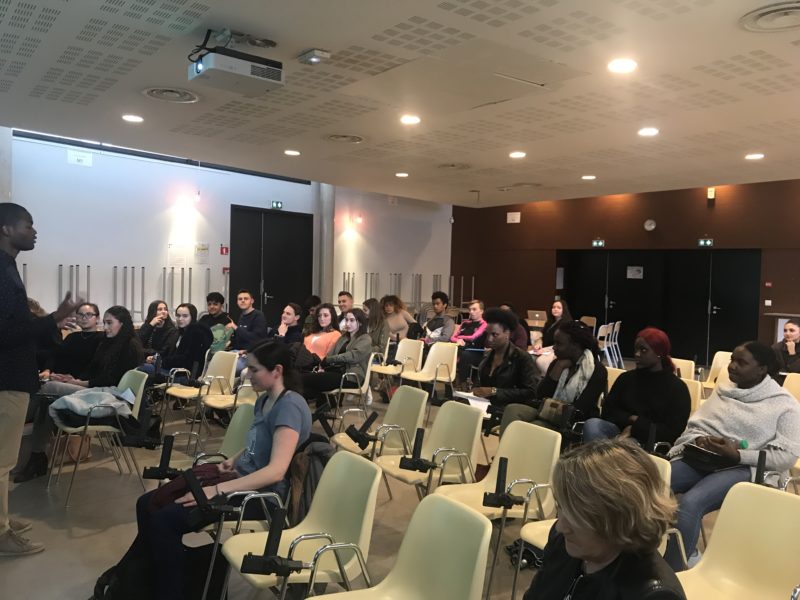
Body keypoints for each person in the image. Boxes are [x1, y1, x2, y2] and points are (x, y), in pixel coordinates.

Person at [129, 341, 311, 600]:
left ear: (277, 370)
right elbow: (261, 442)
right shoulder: (265, 400)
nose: (247, 375)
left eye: (254, 369)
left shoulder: (289, 406)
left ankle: (169, 590)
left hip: (264, 498)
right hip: (241, 481)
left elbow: (276, 471)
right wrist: (235, 460)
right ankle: (152, 580)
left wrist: (217, 489)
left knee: (164, 521)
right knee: (146, 503)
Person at [665, 340, 800, 571]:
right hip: (706, 457)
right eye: (732, 360)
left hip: (746, 467)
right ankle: (640, 553)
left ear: (762, 369)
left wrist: (738, 455)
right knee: (649, 483)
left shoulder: (785, 405)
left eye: (741, 362)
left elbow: (786, 457)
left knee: (689, 503)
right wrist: (700, 440)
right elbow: (696, 426)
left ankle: (672, 572)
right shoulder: (724, 390)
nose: (732, 366)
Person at [0, 202, 80, 555]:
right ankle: (0, 533)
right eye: (28, 225)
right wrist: (54, 318)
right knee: (2, 461)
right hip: (7, 378)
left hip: (11, 376)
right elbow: (7, 333)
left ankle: (3, 520)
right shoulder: (3, 271)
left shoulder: (8, 268)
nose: (34, 232)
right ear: (7, 229)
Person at [523, 439, 685, 600]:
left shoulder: (654, 595)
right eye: (561, 506)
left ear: (622, 519)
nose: (561, 526)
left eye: (578, 516)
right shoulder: (562, 541)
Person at [18, 306, 145, 483]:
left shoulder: (129, 346)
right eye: (105, 323)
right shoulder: (108, 342)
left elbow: (111, 380)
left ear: (122, 324)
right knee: (46, 400)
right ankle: (37, 457)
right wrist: (72, 379)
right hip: (97, 391)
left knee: (49, 388)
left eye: (109, 323)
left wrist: (78, 383)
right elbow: (92, 371)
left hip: (109, 397)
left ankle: (16, 422)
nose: (105, 327)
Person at [582, 327, 691, 447]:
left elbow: (672, 431)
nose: (637, 354)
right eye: (636, 349)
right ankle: (602, 456)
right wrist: (631, 419)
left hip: (648, 441)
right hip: (618, 433)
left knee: (628, 444)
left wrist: (635, 428)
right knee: (592, 425)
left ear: (659, 353)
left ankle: (605, 456)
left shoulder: (677, 388)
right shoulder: (626, 378)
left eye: (643, 350)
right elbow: (607, 412)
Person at [500, 320, 607, 435]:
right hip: (546, 410)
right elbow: (540, 395)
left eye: (559, 344)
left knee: (536, 425)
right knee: (512, 409)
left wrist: (549, 409)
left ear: (576, 345)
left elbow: (581, 408)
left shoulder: (596, 371)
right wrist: (558, 369)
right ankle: (506, 446)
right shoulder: (557, 363)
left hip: (573, 420)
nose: (554, 348)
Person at [302, 309, 372, 406]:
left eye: (352, 320)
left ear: (360, 322)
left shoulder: (365, 338)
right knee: (305, 387)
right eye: (346, 320)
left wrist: (328, 360)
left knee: (304, 380)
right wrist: (323, 366)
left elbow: (353, 356)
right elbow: (330, 354)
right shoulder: (343, 337)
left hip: (351, 377)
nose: (347, 323)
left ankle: (321, 408)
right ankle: (320, 408)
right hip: (336, 372)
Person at [471, 308, 537, 408]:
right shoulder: (488, 356)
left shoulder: (522, 357)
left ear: (507, 333)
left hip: (508, 409)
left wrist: (494, 391)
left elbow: (530, 392)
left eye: (494, 335)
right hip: (485, 405)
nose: (489, 339)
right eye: (487, 334)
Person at [141, 303, 212, 380]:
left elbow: (186, 360)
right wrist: (156, 359)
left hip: (184, 374)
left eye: (185, 316)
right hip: (174, 370)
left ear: (192, 317)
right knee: (143, 368)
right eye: (178, 315)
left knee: (143, 368)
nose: (180, 319)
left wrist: (162, 362)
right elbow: (170, 353)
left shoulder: (195, 333)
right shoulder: (180, 332)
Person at [230, 289, 268, 375]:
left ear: (252, 301)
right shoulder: (241, 316)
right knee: (217, 361)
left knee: (230, 368)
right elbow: (240, 337)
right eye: (240, 299)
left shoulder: (258, 316)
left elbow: (256, 339)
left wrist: (236, 328)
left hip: (252, 354)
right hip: (238, 352)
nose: (242, 301)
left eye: (246, 298)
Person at [451, 299, 488, 383]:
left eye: (474, 309)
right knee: (447, 350)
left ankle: (462, 383)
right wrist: (458, 340)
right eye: (470, 309)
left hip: (475, 352)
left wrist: (459, 337)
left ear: (481, 311)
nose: (471, 312)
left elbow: (473, 338)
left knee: (464, 355)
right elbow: (452, 338)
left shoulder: (484, 324)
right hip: (460, 349)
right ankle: (448, 384)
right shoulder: (465, 323)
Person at [534, 299, 573, 375]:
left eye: (559, 308)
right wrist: (539, 343)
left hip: (556, 351)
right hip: (545, 349)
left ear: (564, 310)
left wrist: (545, 349)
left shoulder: (566, 324)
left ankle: (545, 379)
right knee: (528, 356)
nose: (555, 309)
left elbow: (563, 344)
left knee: (540, 361)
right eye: (553, 307)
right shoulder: (550, 322)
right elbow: (542, 336)